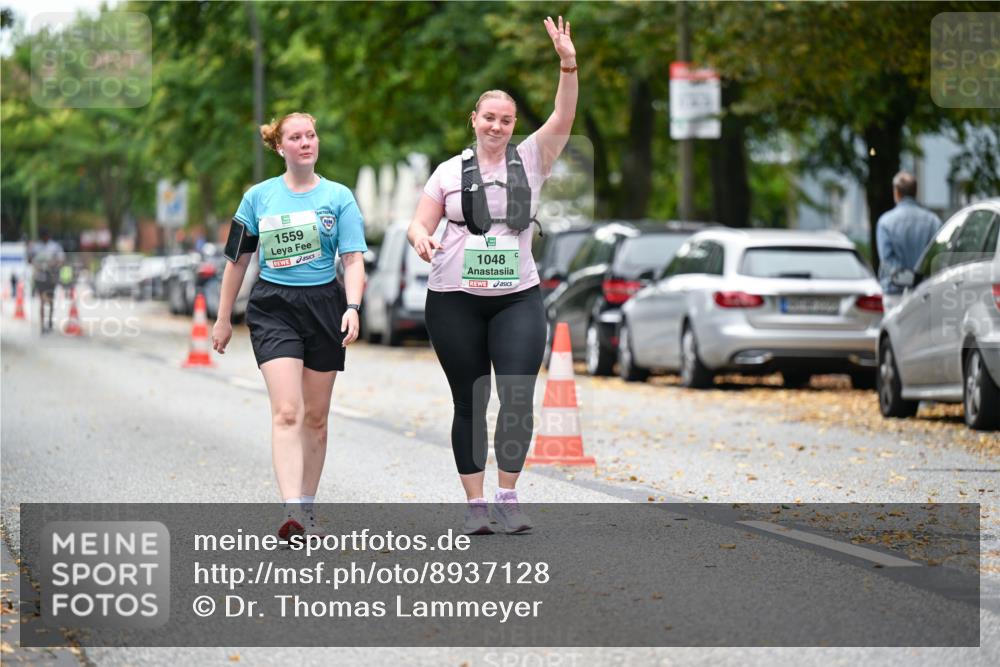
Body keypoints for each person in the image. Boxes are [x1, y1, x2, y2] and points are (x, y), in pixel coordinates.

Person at [407, 16, 578, 535]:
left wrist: (567, 65)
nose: (497, 126)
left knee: (518, 396)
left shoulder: (533, 158)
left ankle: (507, 495)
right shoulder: (447, 172)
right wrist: (421, 239)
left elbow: (564, 116)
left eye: (506, 120)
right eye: (489, 118)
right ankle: (475, 504)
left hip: (516, 297)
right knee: (470, 400)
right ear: (474, 120)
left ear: (514, 124)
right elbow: (418, 223)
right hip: (454, 298)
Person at [211, 112, 367, 540]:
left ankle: (308, 508)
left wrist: (353, 306)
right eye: (295, 137)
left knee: (315, 417)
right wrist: (223, 318)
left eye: (310, 135)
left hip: (324, 306)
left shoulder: (339, 197)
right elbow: (237, 261)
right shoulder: (257, 198)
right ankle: (291, 511)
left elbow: (353, 258)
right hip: (274, 307)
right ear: (280, 147)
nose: (305, 142)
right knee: (287, 411)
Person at [876, 171, 941, 310]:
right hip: (924, 292)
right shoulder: (933, 221)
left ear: (896, 192)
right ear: (915, 192)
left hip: (894, 293)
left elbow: (887, 260)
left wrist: (906, 278)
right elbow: (937, 257)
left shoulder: (885, 222)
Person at [28, 229, 65, 334]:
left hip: (51, 277)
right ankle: (42, 325)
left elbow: (61, 260)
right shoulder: (36, 247)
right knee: (42, 301)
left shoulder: (55, 246)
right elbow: (30, 259)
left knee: (50, 300)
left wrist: (53, 264)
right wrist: (36, 263)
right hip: (40, 277)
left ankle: (49, 322)